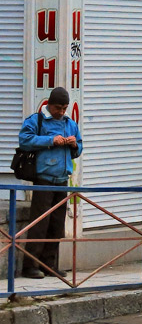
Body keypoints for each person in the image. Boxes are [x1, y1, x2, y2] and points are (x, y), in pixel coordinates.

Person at [18, 86, 83, 279]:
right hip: (44, 179)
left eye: (64, 108)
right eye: (57, 108)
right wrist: (50, 140)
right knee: (40, 223)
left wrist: (74, 145)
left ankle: (49, 264)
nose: (61, 112)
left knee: (56, 223)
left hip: (62, 180)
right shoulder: (36, 120)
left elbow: (79, 148)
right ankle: (30, 265)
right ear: (48, 104)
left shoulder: (70, 124)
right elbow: (25, 140)